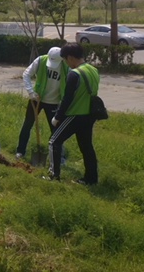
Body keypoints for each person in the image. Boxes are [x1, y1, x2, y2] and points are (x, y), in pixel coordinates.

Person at [46, 43, 99, 185]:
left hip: (75, 115)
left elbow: (67, 99)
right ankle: (91, 179)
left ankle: (53, 176)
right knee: (86, 147)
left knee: (54, 142)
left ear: (70, 57)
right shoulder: (93, 70)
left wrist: (57, 117)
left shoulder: (74, 74)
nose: (66, 63)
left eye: (65, 60)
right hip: (90, 115)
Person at [16, 47, 69, 160]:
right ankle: (20, 151)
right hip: (36, 98)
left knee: (55, 130)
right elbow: (26, 74)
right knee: (27, 125)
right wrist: (31, 92)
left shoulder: (66, 66)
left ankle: (58, 156)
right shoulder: (41, 60)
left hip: (54, 102)